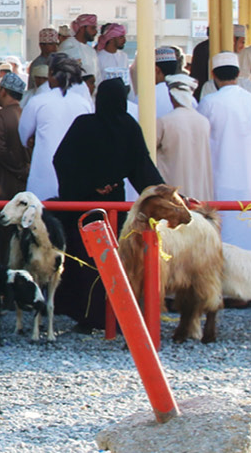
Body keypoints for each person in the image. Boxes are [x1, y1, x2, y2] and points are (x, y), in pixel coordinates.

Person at [52, 76, 167, 329]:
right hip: (114, 206)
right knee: (114, 259)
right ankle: (115, 314)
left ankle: (87, 317)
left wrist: (89, 185)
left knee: (86, 261)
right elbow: (143, 168)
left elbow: (62, 160)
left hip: (83, 206)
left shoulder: (83, 125)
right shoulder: (128, 126)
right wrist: (161, 194)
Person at [198, 52, 251, 250]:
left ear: (214, 75)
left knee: (227, 230)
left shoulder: (210, 102)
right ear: (238, 74)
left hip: (223, 174)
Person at [18, 54, 94, 200]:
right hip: (75, 174)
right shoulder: (83, 103)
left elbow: (23, 136)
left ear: (52, 74)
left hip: (44, 175)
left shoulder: (38, 101)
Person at [156, 74, 213, 200]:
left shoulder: (164, 122)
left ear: (171, 95)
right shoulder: (203, 121)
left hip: (175, 195)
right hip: (200, 193)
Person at [0, 73, 31, 198]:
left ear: (3, 91)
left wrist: (19, 170)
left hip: (5, 184)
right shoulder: (26, 114)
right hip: (26, 182)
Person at [28, 28, 62, 94]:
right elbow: (33, 87)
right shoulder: (37, 64)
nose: (55, 47)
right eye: (51, 44)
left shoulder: (58, 61)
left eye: (56, 44)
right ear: (41, 45)